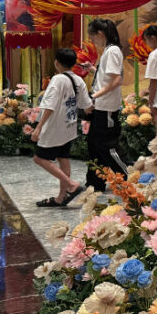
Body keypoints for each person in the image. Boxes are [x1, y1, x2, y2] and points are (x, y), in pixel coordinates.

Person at [32, 48, 92, 207]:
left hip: (54, 128)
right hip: (69, 126)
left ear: (56, 62)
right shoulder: (78, 80)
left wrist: (38, 128)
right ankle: (61, 198)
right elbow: (86, 106)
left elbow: (49, 106)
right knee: (63, 158)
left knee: (39, 158)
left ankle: (72, 185)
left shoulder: (58, 79)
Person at [85, 18, 129, 190]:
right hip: (101, 106)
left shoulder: (112, 51)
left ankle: (127, 176)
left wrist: (94, 96)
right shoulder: (110, 51)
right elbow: (107, 78)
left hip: (106, 107)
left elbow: (116, 81)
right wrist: (93, 70)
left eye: (93, 37)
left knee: (108, 146)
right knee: (94, 144)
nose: (92, 41)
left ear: (101, 34)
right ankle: (95, 182)